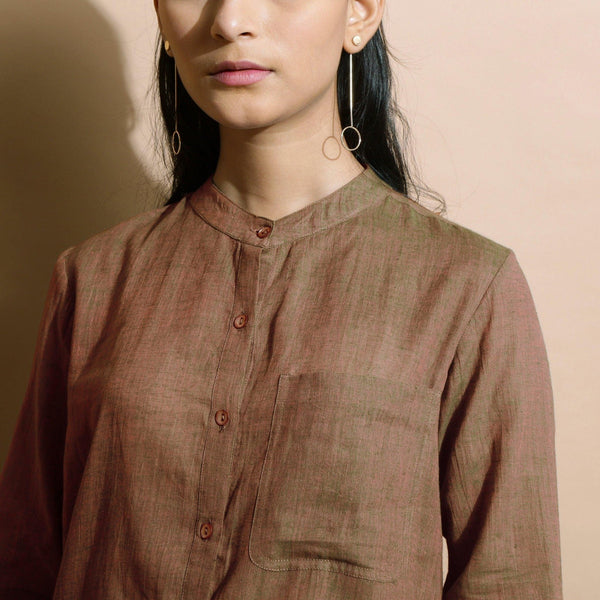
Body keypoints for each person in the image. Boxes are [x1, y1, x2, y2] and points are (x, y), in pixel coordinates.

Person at [0, 0, 563, 598]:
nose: (229, 19)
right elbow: (25, 561)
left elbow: (511, 577)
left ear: (360, 13)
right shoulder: (93, 278)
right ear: (164, 25)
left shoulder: (467, 284)